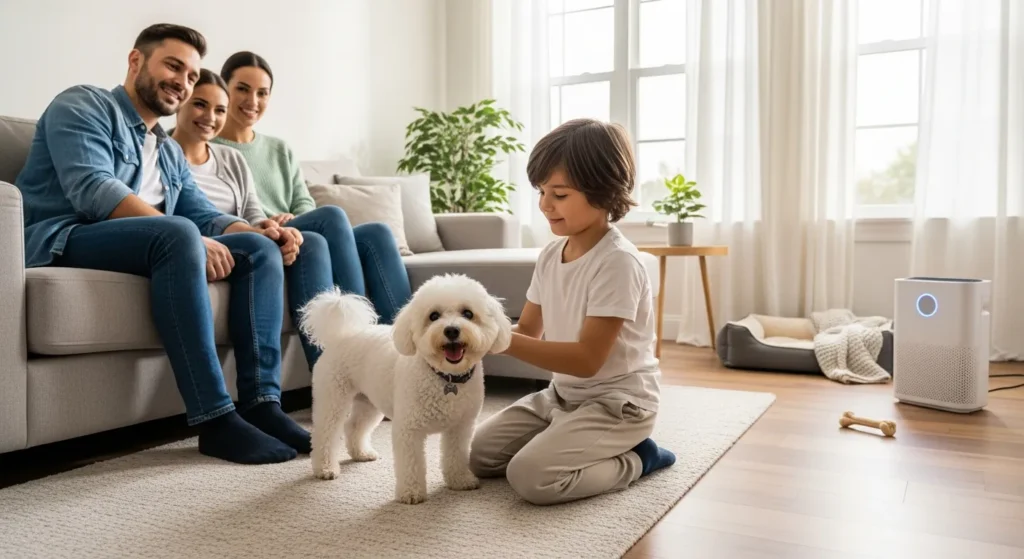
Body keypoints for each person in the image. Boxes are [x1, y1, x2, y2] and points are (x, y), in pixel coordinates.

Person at [15, 23, 311, 465]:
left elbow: (203, 213)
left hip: (140, 241)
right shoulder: (83, 104)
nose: (183, 81)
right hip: (64, 236)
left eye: (192, 75)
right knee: (176, 233)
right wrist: (190, 236)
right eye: (173, 66)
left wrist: (259, 231)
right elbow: (93, 190)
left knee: (260, 251)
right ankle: (214, 420)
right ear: (137, 61)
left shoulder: (167, 150)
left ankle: (261, 404)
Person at [469, 118, 676, 506]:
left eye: (559, 194)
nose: (545, 204)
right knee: (478, 455)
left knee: (530, 478)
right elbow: (528, 329)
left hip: (619, 403)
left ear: (603, 192)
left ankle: (640, 457)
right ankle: (567, 437)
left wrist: (504, 341)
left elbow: (586, 360)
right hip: (562, 396)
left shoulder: (617, 262)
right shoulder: (550, 254)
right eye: (541, 191)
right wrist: (480, 331)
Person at [211, 51, 412, 334]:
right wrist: (270, 222)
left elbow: (303, 200)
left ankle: (406, 340)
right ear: (224, 89)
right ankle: (361, 334)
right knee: (330, 216)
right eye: (242, 89)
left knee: (377, 233)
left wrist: (294, 215)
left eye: (262, 93)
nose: (252, 101)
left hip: (296, 228)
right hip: (261, 233)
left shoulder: (279, 149)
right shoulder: (206, 145)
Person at [170, 69, 335, 371]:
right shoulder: (162, 156)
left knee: (310, 241)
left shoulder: (231, 158)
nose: (210, 116)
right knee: (271, 241)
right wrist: (258, 235)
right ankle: (263, 394)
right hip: (207, 244)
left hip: (243, 233)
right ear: (179, 102)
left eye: (219, 109)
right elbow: (177, 215)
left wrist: (270, 229)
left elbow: (253, 214)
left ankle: (328, 371)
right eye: (199, 104)